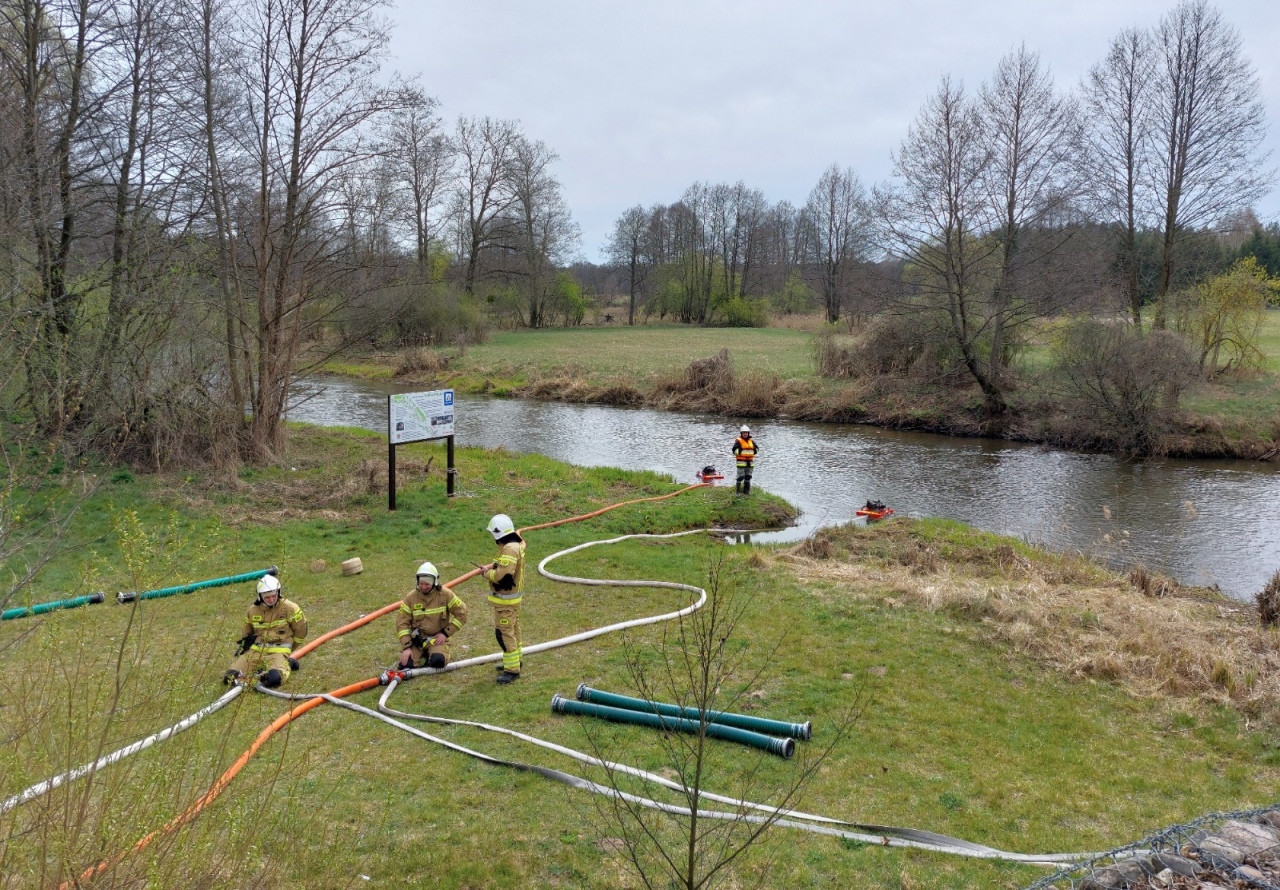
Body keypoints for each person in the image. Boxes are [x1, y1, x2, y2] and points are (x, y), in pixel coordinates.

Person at [224, 574, 307, 688]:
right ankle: (262, 668)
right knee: (230, 677)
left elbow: (301, 631)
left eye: (273, 596)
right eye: (267, 597)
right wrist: (245, 647)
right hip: (256, 650)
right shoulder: (253, 611)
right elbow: (247, 632)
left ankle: (287, 662)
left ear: (278, 592)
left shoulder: (290, 608)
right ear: (260, 597)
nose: (271, 600)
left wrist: (288, 650)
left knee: (273, 680)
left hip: (279, 651)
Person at [480, 513, 526, 685]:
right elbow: (504, 566)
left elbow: (502, 575)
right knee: (513, 631)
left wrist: (486, 573)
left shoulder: (509, 549)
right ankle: (515, 661)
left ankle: (512, 670)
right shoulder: (514, 546)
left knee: (503, 634)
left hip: (505, 602)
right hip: (510, 601)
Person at [396, 561, 468, 669]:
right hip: (417, 640)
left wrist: (445, 633)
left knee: (438, 662)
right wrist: (407, 647)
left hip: (437, 639)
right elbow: (402, 623)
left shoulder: (445, 594)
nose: (423, 587)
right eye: (421, 584)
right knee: (406, 665)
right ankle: (423, 656)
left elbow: (462, 614)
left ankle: (437, 653)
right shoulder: (411, 598)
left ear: (435, 582)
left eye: (427, 584)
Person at [732, 425, 758, 496]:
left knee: (748, 476)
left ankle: (747, 491)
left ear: (748, 433)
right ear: (741, 433)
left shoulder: (751, 441)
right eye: (744, 433)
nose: (745, 434)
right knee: (740, 477)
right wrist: (740, 451)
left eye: (746, 433)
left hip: (750, 463)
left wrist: (754, 451)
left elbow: (757, 449)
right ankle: (738, 492)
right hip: (741, 463)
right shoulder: (738, 441)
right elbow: (734, 450)